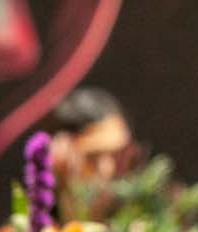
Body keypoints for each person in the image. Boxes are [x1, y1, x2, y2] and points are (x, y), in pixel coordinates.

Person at [39, 86, 135, 221]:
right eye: (93, 157)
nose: (108, 169)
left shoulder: (142, 226)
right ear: (58, 153)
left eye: (118, 156)